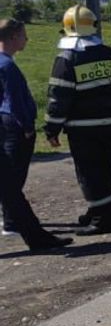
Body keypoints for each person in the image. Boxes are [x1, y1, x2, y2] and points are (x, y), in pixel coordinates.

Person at [45, 5, 111, 235]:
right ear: (93, 26)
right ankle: (106, 210)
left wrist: (51, 128)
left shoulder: (67, 59)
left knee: (89, 173)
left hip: (82, 128)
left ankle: (103, 218)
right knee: (104, 169)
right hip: (110, 125)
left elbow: (59, 97)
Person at [0, 18, 72, 251]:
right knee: (11, 186)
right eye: (23, 35)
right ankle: (33, 236)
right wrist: (27, 126)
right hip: (13, 127)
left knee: (10, 189)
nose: (27, 39)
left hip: (5, 126)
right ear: (12, 38)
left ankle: (34, 236)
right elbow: (15, 101)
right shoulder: (7, 66)